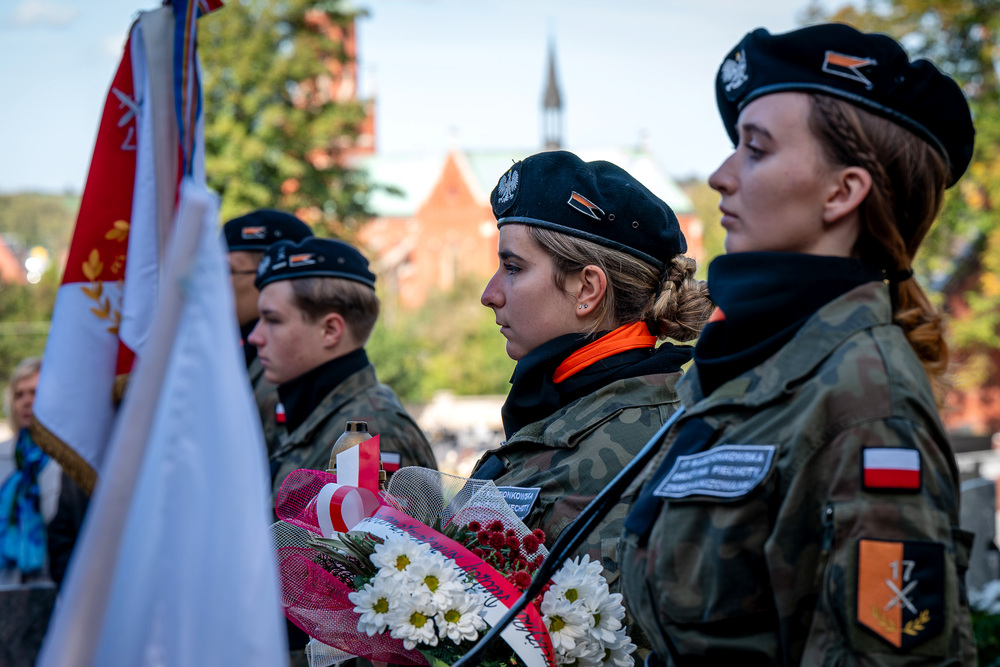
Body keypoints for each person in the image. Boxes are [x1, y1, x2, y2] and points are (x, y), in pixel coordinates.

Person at [620, 23, 977, 665]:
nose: (721, 175)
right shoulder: (745, 367)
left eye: (755, 150)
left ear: (843, 192)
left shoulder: (866, 401)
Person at [472, 150, 713, 592]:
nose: (490, 294)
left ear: (587, 288)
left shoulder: (658, 434)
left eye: (512, 268)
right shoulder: (574, 408)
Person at [248, 236, 437, 509]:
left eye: (273, 320)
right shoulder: (315, 415)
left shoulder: (372, 433)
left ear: (330, 331)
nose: (256, 337)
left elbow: (389, 549)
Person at [222, 209, 314, 454]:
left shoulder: (289, 367)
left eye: (228, 271)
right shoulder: (238, 352)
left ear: (270, 277)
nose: (217, 283)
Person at [0, 356, 61, 584]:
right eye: (19, 394)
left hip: (54, 589)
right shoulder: (2, 457)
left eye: (34, 392)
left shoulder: (68, 462)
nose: (26, 401)